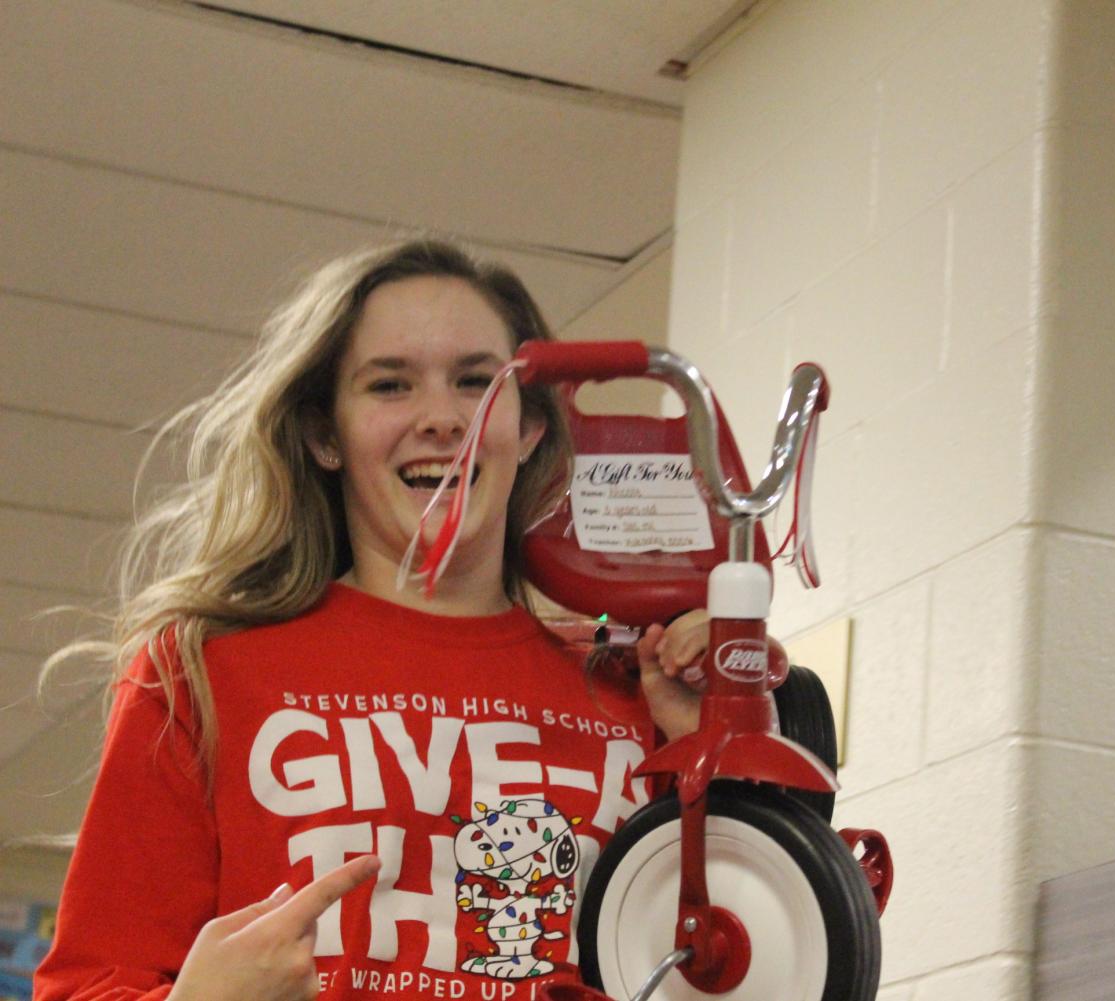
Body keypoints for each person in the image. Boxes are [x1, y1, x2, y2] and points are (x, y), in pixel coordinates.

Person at [33, 239, 709, 1001]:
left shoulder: (631, 684)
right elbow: (84, 984)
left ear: (529, 429)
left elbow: (758, 958)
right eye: (390, 385)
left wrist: (710, 744)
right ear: (325, 434)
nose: (442, 419)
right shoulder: (202, 667)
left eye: (478, 382)